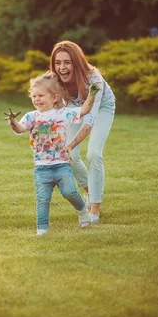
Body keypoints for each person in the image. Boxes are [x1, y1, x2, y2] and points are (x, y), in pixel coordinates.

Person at [4, 73, 99, 236]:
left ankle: (83, 211)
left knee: (69, 192)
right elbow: (20, 130)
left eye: (41, 95)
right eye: (34, 96)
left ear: (54, 97)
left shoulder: (64, 114)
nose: (36, 99)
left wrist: (91, 94)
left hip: (62, 165)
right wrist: (13, 122)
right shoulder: (31, 116)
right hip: (41, 168)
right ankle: (42, 229)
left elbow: (84, 110)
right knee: (42, 199)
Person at [50, 41, 116, 223]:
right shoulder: (54, 80)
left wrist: (71, 145)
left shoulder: (94, 79)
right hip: (74, 108)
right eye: (58, 63)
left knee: (94, 153)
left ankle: (94, 210)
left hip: (101, 108)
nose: (62, 68)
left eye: (67, 62)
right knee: (68, 155)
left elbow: (88, 121)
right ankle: (91, 192)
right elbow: (53, 110)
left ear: (77, 62)